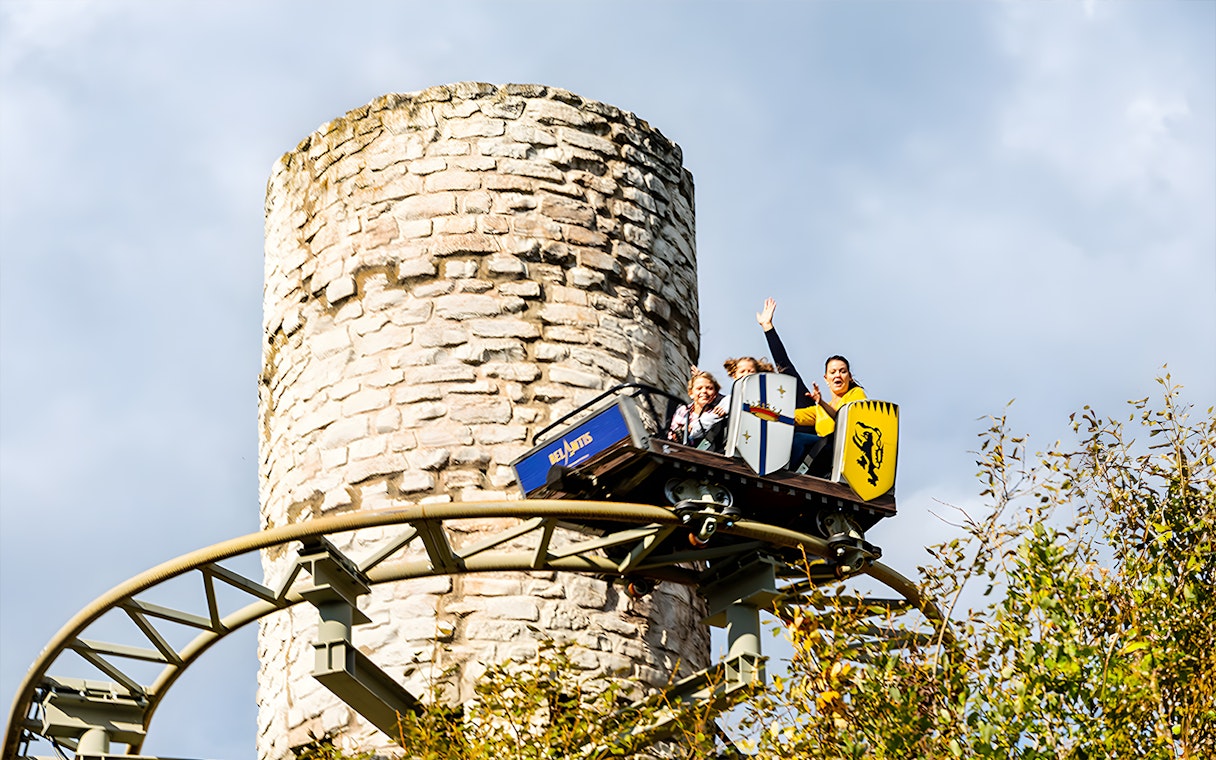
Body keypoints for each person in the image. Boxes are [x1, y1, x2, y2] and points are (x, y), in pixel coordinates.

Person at [756, 297, 867, 475]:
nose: (837, 375)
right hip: (820, 451)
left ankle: (783, 474)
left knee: (800, 439)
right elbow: (793, 417)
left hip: (841, 451)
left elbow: (847, 419)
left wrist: (821, 403)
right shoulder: (818, 409)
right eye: (833, 372)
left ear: (849, 376)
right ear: (826, 378)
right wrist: (760, 412)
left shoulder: (856, 394)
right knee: (787, 426)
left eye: (842, 371)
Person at [667, 369, 728, 452]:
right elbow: (671, 433)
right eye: (699, 388)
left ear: (715, 394)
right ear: (691, 393)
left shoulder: (715, 413)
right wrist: (680, 432)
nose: (704, 391)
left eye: (709, 388)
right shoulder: (683, 410)